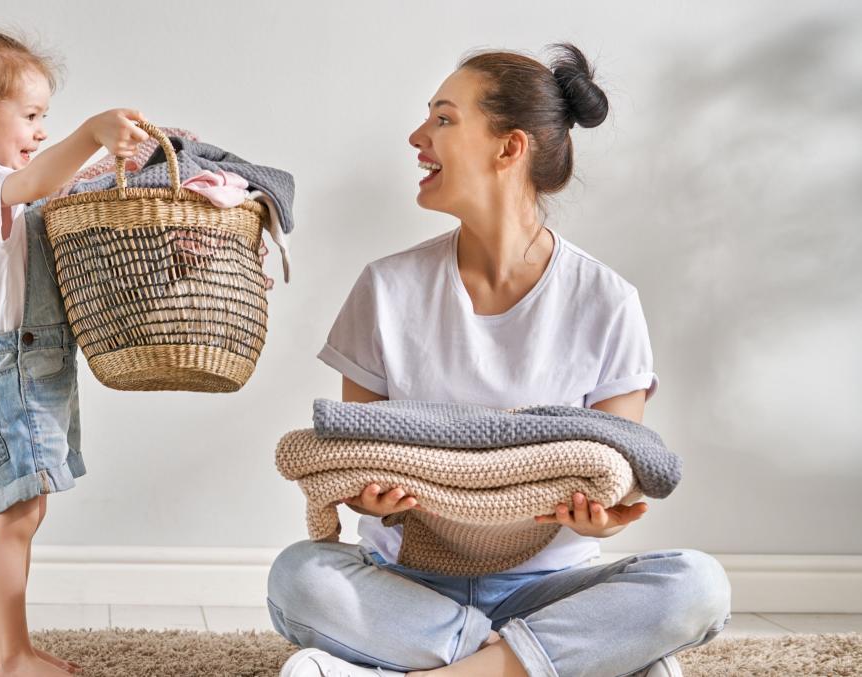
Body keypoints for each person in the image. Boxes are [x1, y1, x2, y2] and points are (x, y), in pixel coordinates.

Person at [268, 44, 731, 677]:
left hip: (545, 587)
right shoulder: (385, 288)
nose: (417, 136)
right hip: (409, 583)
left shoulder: (606, 300)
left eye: (443, 119)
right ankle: (561, 662)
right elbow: (360, 457)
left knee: (697, 585)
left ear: (507, 148)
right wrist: (369, 500)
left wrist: (601, 522)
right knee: (299, 576)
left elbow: (618, 472)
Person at [0, 11, 148, 676]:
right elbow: (37, 179)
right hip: (0, 386)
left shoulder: (4, 200)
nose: (42, 130)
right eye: (29, 116)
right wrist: (88, 134)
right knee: (17, 516)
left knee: (25, 511)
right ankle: (13, 650)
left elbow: (47, 193)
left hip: (17, 380)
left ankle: (3, 648)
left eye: (46, 117)